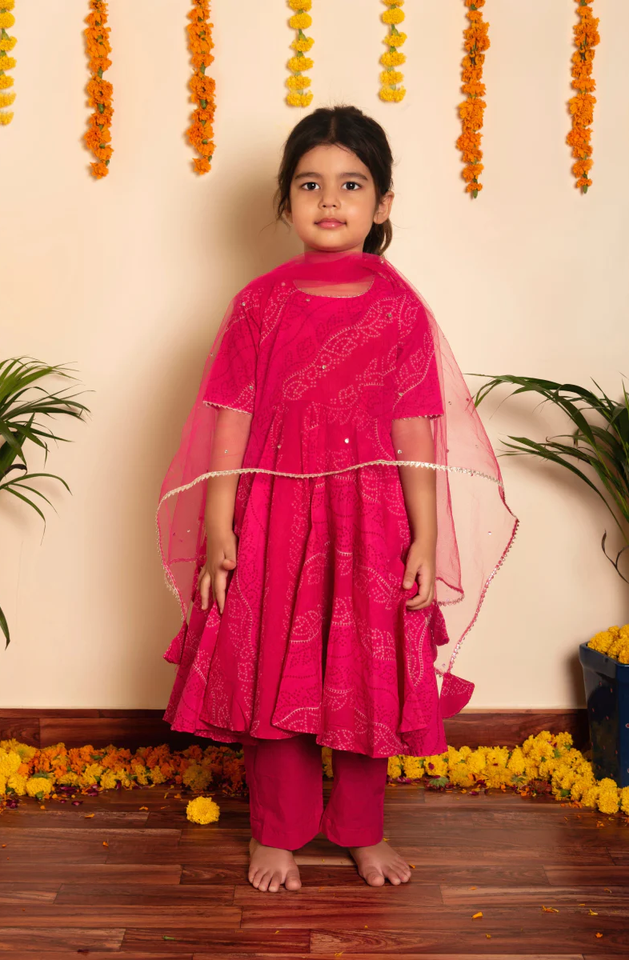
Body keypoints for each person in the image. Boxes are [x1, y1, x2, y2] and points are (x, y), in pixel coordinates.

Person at [157, 105, 518, 894]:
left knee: (368, 667)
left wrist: (424, 537)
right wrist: (218, 522)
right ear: (285, 201)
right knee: (272, 666)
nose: (329, 199)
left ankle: (361, 828)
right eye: (309, 183)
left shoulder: (398, 310)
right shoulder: (259, 304)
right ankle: (277, 831)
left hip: (371, 518)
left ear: (382, 203)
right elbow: (230, 416)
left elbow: (415, 429)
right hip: (274, 517)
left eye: (351, 184)